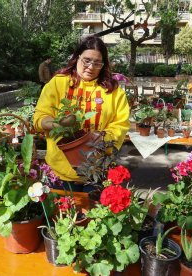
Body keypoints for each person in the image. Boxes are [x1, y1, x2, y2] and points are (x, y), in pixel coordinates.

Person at [33, 35, 130, 189]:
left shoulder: (112, 90)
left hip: (97, 169)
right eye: (87, 60)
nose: (91, 67)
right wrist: (56, 123)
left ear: (103, 65)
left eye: (97, 63)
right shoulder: (59, 83)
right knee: (62, 212)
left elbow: (121, 124)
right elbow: (40, 117)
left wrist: (102, 138)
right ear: (77, 58)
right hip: (60, 170)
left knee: (93, 211)